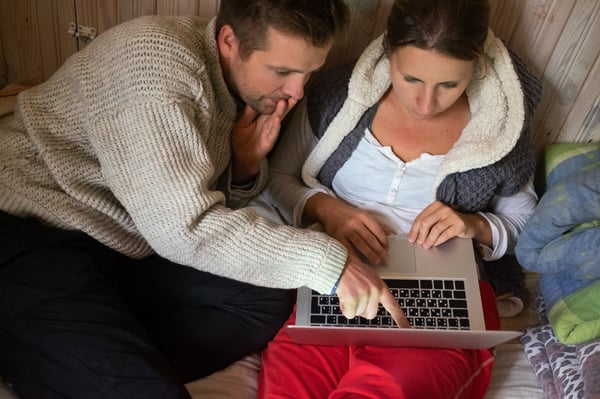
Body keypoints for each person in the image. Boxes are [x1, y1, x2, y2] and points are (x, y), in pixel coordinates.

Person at [0, 1, 399, 398]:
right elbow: (181, 228)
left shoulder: (237, 82)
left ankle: (61, 358)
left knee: (266, 296)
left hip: (123, 244)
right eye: (282, 71)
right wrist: (329, 262)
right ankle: (60, 353)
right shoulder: (154, 67)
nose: (296, 92)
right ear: (229, 40)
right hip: (32, 231)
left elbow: (188, 200)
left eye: (307, 72)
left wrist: (242, 167)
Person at [256, 0, 542, 397]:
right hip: (340, 283)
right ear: (387, 51)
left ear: (477, 64)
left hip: (440, 299)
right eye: (411, 79)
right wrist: (327, 209)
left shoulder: (499, 127)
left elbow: (526, 220)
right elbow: (277, 178)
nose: (426, 105)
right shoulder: (339, 97)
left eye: (449, 85)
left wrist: (473, 225)